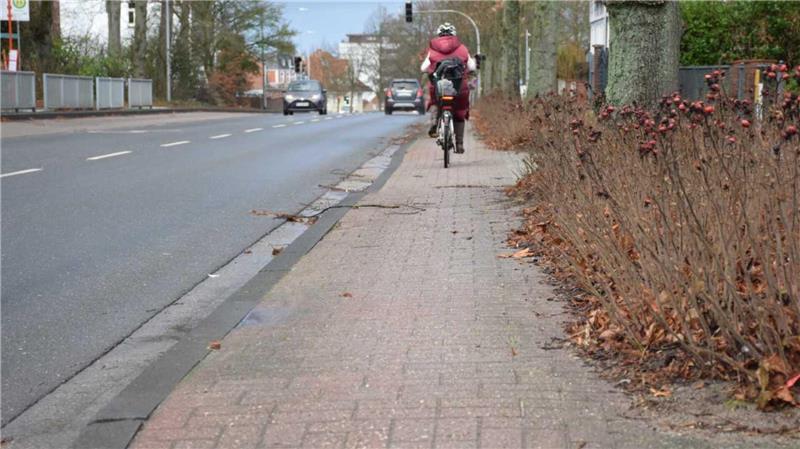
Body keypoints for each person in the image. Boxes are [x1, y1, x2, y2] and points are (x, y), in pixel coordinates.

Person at [421, 23, 477, 154]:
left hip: (439, 86)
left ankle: (435, 122)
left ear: (439, 34)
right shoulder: (462, 48)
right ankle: (459, 144)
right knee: (459, 112)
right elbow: (473, 67)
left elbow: (423, 68)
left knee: (435, 101)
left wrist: (431, 70)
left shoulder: (432, 50)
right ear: (454, 34)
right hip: (458, 87)